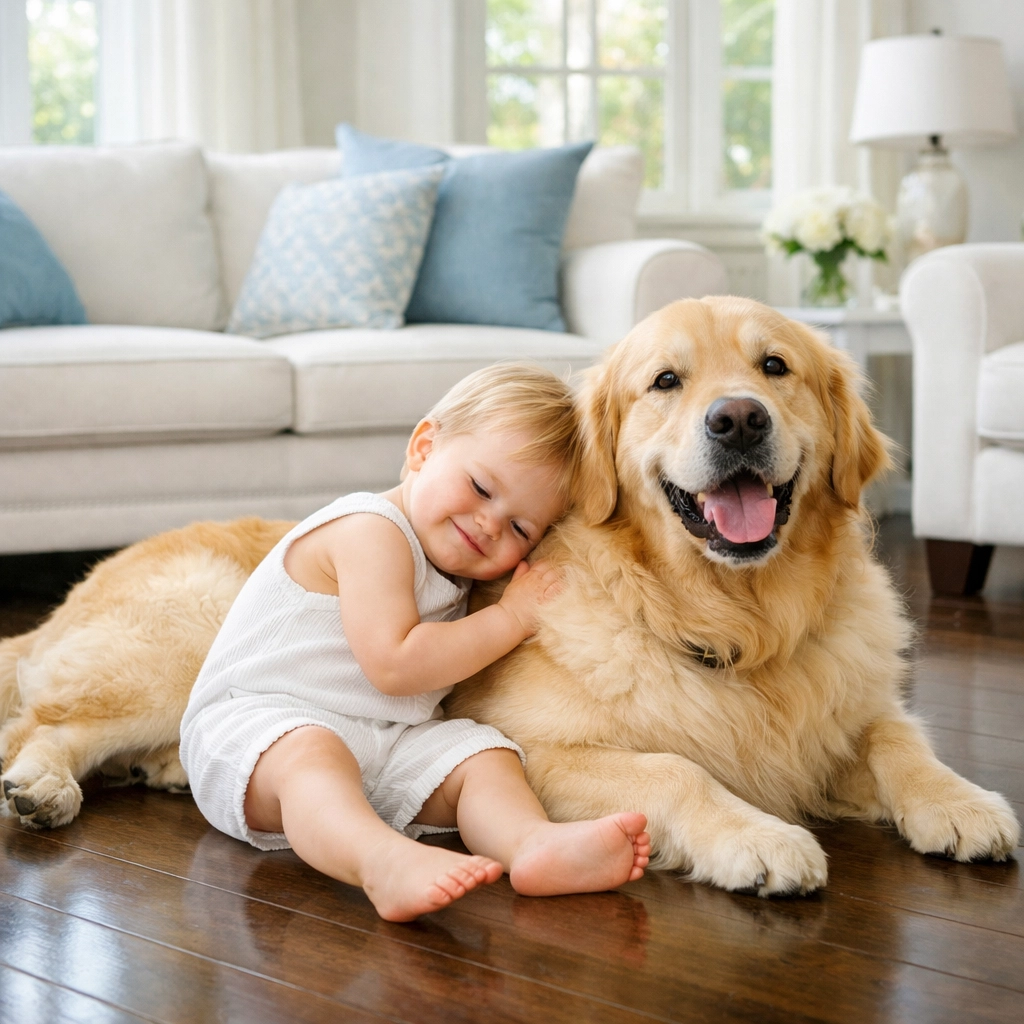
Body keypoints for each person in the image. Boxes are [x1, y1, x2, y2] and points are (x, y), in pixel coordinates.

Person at [180, 364, 650, 922]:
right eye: (480, 488)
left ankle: (531, 843)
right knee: (311, 754)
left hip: (382, 741)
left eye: (522, 528)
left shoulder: (456, 565)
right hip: (257, 730)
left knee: (485, 754)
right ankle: (381, 863)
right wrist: (512, 617)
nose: (489, 523)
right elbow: (396, 666)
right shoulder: (370, 531)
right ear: (424, 447)